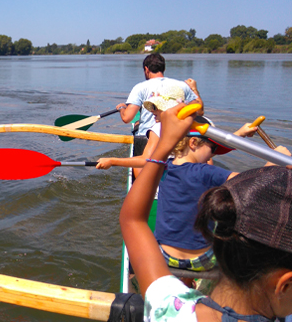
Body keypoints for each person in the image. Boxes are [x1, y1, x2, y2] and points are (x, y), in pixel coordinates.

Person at [120, 104, 292, 321]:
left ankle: (183, 285)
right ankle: (193, 283)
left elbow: (132, 220)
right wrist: (272, 166)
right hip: (203, 260)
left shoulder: (169, 311)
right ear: (284, 285)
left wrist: (160, 147)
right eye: (212, 150)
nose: (213, 156)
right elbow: (247, 187)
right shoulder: (207, 171)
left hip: (165, 257)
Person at [116, 53, 203, 137]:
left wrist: (122, 108)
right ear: (164, 69)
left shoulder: (140, 87)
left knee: (136, 124)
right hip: (175, 136)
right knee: (137, 123)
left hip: (147, 137)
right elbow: (200, 111)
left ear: (146, 70)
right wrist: (194, 89)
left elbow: (127, 118)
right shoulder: (182, 85)